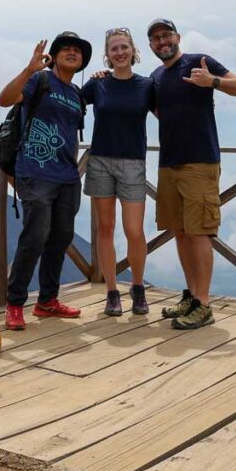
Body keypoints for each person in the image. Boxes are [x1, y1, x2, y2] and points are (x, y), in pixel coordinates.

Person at [147, 18, 236, 329]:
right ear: (150, 45)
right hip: (169, 163)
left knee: (199, 232)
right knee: (179, 231)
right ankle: (192, 296)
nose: (162, 41)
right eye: (156, 38)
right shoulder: (155, 77)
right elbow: (160, 111)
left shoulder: (198, 62)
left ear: (178, 37)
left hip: (200, 161)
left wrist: (213, 82)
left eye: (166, 35)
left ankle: (204, 304)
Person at [0, 31, 92, 331]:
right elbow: (4, 100)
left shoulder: (77, 94)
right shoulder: (40, 80)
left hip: (67, 176)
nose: (72, 53)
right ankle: (14, 304)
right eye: (65, 49)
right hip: (35, 172)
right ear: (55, 55)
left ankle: (47, 301)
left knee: (61, 237)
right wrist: (29, 69)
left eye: (77, 50)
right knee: (34, 237)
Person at [81, 27, 155, 316]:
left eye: (124, 47)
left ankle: (137, 288)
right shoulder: (97, 84)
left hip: (133, 163)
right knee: (106, 228)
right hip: (100, 160)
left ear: (133, 51)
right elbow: (68, 100)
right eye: (114, 48)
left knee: (134, 230)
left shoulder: (147, 85)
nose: (120, 52)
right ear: (107, 55)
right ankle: (111, 292)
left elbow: (169, 112)